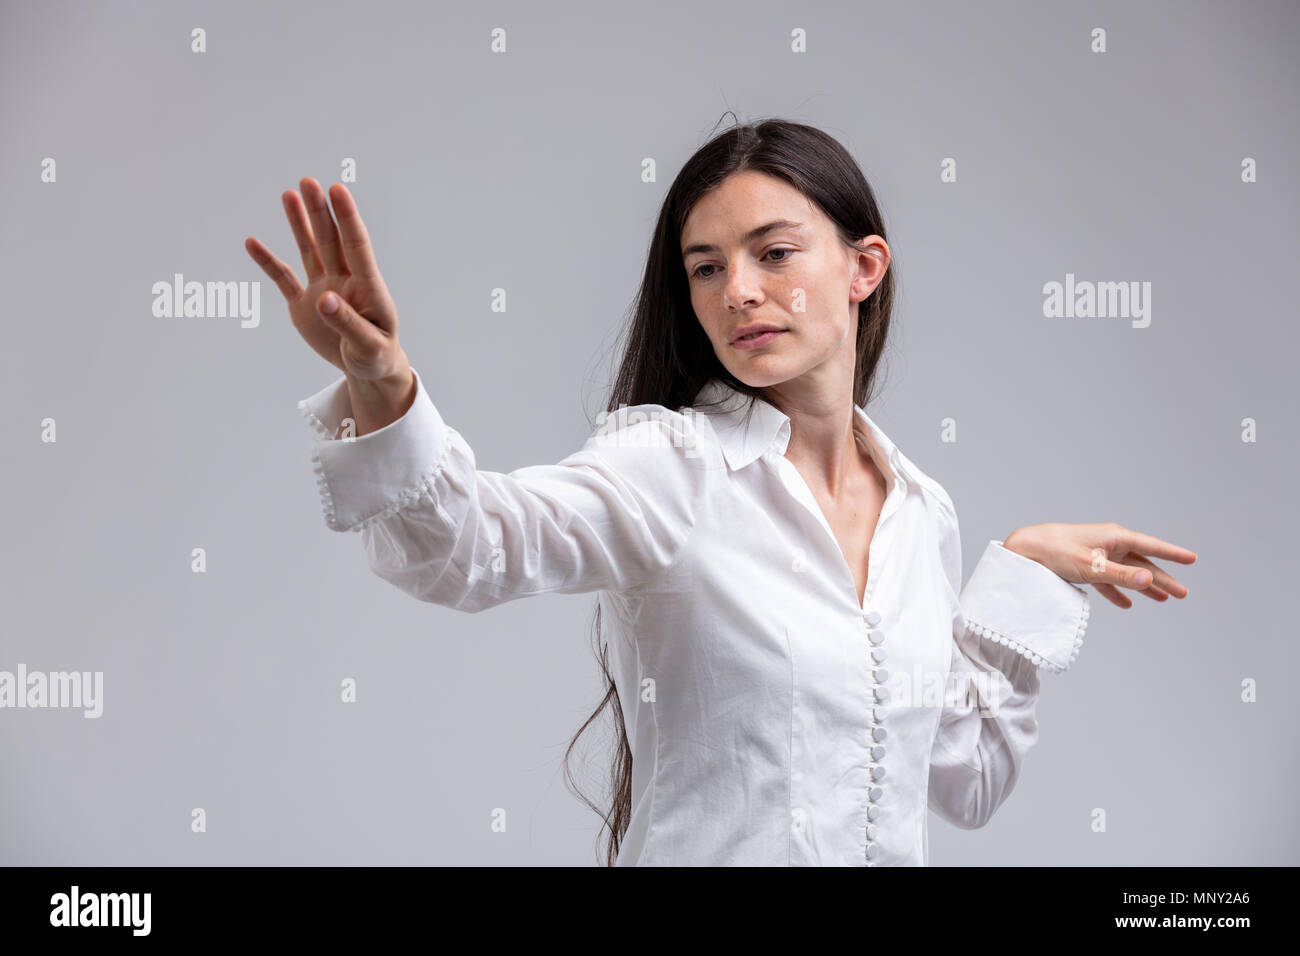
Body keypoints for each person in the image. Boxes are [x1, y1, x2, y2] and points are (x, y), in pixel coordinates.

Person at [245, 118, 1196, 866]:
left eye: (773, 254)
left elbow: (964, 781)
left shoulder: (923, 515)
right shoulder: (671, 466)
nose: (737, 290)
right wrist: (383, 383)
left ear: (863, 267)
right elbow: (463, 548)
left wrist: (1018, 574)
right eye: (706, 268)